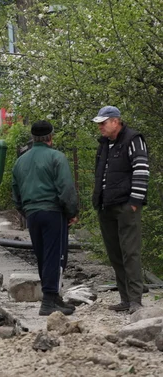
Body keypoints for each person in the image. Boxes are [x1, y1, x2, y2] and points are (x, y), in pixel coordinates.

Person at [12, 120, 79, 316]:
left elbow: (15, 192)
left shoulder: (20, 161)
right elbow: (66, 188)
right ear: (51, 136)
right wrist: (72, 212)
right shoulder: (56, 157)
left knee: (42, 256)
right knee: (55, 255)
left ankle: (54, 297)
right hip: (52, 212)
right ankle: (49, 300)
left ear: (33, 138)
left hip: (32, 213)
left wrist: (26, 210)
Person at [92, 106, 148, 314]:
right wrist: (97, 200)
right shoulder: (104, 144)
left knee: (130, 253)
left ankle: (135, 300)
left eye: (103, 123)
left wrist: (135, 201)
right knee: (115, 253)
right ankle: (125, 299)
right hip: (106, 205)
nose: (100, 127)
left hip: (126, 205)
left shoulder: (133, 139)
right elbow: (100, 174)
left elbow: (141, 170)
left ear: (116, 121)